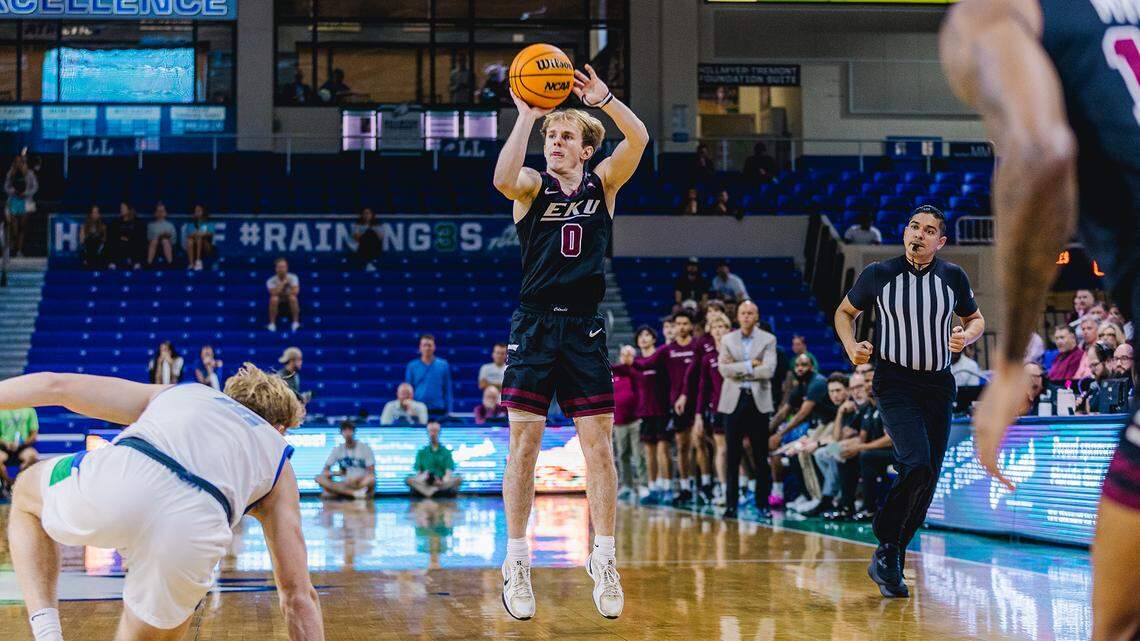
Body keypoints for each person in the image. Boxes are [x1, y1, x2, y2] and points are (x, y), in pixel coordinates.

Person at [0, 366, 324, 641]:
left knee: (27, 492)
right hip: (195, 529)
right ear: (281, 428)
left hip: (123, 477)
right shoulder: (278, 459)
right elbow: (298, 598)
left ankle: (47, 633)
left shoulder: (189, 393)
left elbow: (56, 386)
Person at [492, 62, 647, 621]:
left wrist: (605, 100)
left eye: (564, 136)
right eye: (550, 136)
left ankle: (603, 557)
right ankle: (516, 561)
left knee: (599, 449)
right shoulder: (531, 187)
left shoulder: (603, 184)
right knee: (524, 448)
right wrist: (525, 116)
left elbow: (639, 138)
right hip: (534, 326)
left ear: (585, 150)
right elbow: (502, 178)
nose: (554, 142)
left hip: (583, 328)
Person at [834, 204, 985, 598]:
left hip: (939, 385)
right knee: (915, 463)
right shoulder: (879, 274)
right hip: (895, 382)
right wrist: (851, 346)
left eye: (929, 230)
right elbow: (844, 312)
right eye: (914, 227)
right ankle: (887, 542)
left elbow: (976, 319)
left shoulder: (953, 276)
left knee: (928, 478)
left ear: (940, 241)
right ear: (905, 233)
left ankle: (892, 556)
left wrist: (965, 336)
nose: (919, 234)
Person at [634, 311, 703, 504]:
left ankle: (705, 486)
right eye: (677, 324)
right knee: (682, 446)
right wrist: (629, 363)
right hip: (676, 405)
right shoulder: (666, 350)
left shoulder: (697, 346)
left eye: (684, 323)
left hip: (698, 401)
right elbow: (646, 363)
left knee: (700, 444)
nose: (681, 327)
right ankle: (683, 486)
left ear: (691, 325)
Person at [716, 300, 777, 518]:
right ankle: (731, 505)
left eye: (751, 313)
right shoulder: (727, 339)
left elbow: (768, 370)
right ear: (737, 316)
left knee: (760, 455)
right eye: (743, 313)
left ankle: (763, 504)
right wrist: (751, 365)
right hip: (733, 401)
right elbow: (723, 370)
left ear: (757, 316)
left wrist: (737, 368)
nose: (746, 316)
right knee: (732, 455)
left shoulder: (768, 339)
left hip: (758, 401)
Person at [692, 312, 731, 506]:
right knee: (721, 449)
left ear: (728, 329)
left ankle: (745, 487)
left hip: (737, 407)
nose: (718, 330)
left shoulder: (735, 353)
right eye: (714, 327)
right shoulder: (708, 358)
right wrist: (699, 415)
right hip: (718, 409)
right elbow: (703, 387)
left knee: (739, 448)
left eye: (721, 327)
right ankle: (724, 489)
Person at [631, 325, 672, 504]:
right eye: (640, 335)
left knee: (663, 450)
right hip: (645, 413)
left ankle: (667, 487)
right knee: (649, 453)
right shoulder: (636, 363)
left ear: (654, 339)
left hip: (662, 410)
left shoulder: (661, 356)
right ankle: (652, 486)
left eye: (647, 335)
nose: (644, 338)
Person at [610, 345, 648, 502]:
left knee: (639, 454)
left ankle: (643, 485)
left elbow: (641, 384)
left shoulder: (636, 372)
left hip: (635, 421)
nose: (626, 357)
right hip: (619, 422)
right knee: (622, 454)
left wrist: (631, 365)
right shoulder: (614, 373)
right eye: (624, 354)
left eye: (629, 354)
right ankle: (627, 485)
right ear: (620, 356)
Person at [315, 420, 375, 499]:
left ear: (354, 431)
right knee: (319, 478)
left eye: (350, 430)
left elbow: (371, 472)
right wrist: (336, 473)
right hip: (345, 482)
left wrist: (358, 478)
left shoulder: (365, 448)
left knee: (371, 479)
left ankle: (342, 493)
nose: (347, 433)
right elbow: (325, 470)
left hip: (360, 481)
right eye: (345, 430)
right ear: (341, 433)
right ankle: (353, 493)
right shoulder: (338, 449)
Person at [406, 420, 462, 498]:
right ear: (427, 433)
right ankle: (433, 491)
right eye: (431, 431)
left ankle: (430, 491)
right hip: (425, 482)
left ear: (439, 433)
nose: (433, 434)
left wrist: (441, 481)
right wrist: (425, 476)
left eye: (435, 431)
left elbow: (448, 473)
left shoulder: (446, 452)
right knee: (409, 479)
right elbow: (418, 474)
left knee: (458, 479)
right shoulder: (421, 452)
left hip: (441, 482)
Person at [404, 334, 453, 419]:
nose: (427, 348)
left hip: (438, 408)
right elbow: (408, 389)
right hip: (417, 408)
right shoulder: (412, 366)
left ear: (434, 347)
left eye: (429, 345)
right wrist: (409, 407)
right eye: (424, 345)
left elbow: (447, 389)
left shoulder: (443, 365)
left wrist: (449, 410)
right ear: (420, 347)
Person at [4, 153, 37, 257]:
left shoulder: (30, 173)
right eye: (17, 161)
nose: (19, 163)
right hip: (14, 201)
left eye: (21, 161)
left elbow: (35, 187)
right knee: (14, 228)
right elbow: (6, 187)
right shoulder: (11, 173)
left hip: (26, 202)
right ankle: (11, 248)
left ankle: (19, 250)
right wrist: (13, 191)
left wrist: (25, 193)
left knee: (22, 228)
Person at [0, 407, 38, 496]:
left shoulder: (30, 409)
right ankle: (8, 482)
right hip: (4, 447)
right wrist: (6, 443)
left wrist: (22, 443)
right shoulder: (2, 408)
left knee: (32, 455)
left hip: (22, 447)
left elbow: (34, 434)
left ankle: (17, 482)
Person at [105, 202, 146, 270]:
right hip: (119, 243)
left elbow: (140, 235)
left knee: (139, 243)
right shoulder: (116, 221)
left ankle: (137, 263)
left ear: (129, 209)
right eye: (121, 208)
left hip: (132, 243)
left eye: (123, 208)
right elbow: (112, 234)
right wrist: (120, 238)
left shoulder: (137, 221)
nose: (121, 210)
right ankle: (112, 263)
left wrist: (129, 238)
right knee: (110, 242)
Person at [267, 257, 301, 332]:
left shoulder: (293, 277)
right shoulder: (270, 280)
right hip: (278, 300)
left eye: (283, 267)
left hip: (289, 299)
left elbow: (296, 291)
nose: (281, 269)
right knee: (274, 299)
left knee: (293, 298)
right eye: (279, 267)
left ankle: (295, 323)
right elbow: (273, 293)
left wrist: (281, 292)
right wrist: (284, 283)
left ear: (287, 268)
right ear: (276, 268)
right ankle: (272, 324)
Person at [182, 204, 214, 271]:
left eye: (199, 211)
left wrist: (202, 233)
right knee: (190, 241)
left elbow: (211, 233)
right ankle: (191, 264)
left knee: (199, 237)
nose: (197, 212)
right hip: (194, 244)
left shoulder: (209, 223)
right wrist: (196, 234)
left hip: (206, 245)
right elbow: (189, 234)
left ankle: (198, 262)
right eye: (195, 211)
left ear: (203, 211)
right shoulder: (191, 223)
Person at [146, 202, 176, 268]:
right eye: (158, 211)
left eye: (162, 211)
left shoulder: (170, 225)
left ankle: (170, 263)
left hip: (167, 245)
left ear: (165, 213)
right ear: (155, 213)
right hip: (154, 244)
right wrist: (158, 236)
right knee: (154, 241)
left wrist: (167, 237)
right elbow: (149, 238)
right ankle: (149, 263)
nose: (160, 213)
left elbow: (174, 241)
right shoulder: (151, 225)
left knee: (165, 241)